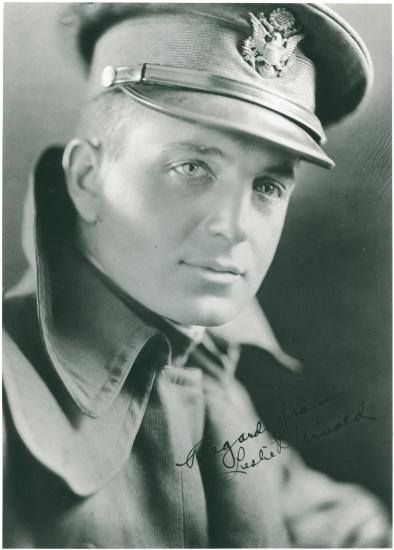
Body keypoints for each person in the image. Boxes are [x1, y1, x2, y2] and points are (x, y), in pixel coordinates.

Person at [3, 3, 391, 548]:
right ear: (87, 179)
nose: (234, 228)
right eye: (191, 168)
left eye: (267, 187)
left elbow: (338, 524)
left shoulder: (208, 370)